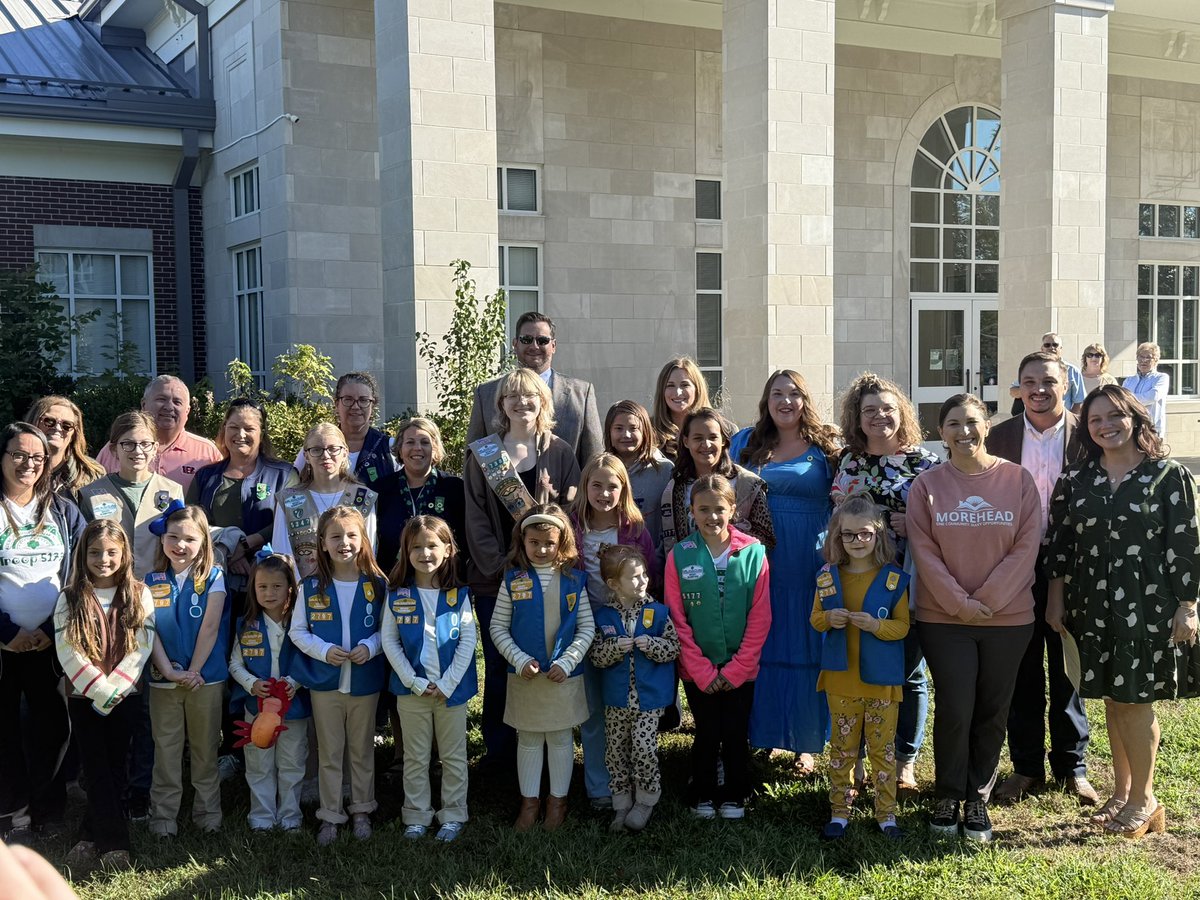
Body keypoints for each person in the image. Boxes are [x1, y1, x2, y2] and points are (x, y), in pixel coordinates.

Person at [1045, 384, 1200, 838]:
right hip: (1090, 603)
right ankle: (1122, 792)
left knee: (1135, 700)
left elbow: (1185, 543)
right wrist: (1055, 599)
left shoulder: (1167, 475)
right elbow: (1060, 544)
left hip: (1148, 603)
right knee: (1114, 700)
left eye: (1115, 416)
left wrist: (1188, 605)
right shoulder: (1076, 479)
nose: (1106, 426)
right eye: (1095, 419)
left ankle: (1145, 801)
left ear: (1135, 418)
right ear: (1086, 428)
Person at [906, 394, 1041, 843]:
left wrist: (989, 598)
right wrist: (961, 604)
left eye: (972, 422)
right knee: (956, 707)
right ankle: (948, 794)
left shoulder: (1017, 480)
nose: (964, 432)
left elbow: (1027, 545)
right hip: (944, 620)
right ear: (941, 432)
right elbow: (924, 551)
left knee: (992, 709)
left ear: (987, 425)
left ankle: (977, 796)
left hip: (1009, 619)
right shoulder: (926, 486)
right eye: (953, 424)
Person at [986, 352, 1096, 806]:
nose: (1039, 390)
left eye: (1048, 381)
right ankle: (1026, 767)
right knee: (1023, 669)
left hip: (1075, 567)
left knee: (1069, 668)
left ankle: (1073, 767)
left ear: (1065, 385)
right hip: (1016, 566)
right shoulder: (999, 437)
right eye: (1029, 382)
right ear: (1019, 388)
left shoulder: (1088, 434)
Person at [463, 368, 580, 774]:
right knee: (500, 664)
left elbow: (572, 515)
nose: (521, 403)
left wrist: (551, 506)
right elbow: (475, 518)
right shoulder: (484, 454)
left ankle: (547, 742)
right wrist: (502, 568)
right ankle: (500, 752)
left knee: (544, 658)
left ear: (543, 402)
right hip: (495, 579)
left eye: (529, 396)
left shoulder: (560, 452)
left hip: (548, 577)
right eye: (512, 396)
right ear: (501, 405)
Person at [832, 373, 937, 788]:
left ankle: (904, 759)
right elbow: (837, 519)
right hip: (857, 580)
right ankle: (857, 757)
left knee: (908, 672)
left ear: (902, 413)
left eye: (888, 408)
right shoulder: (849, 462)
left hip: (908, 580)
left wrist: (914, 524)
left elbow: (945, 522)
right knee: (859, 669)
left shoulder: (926, 464)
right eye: (870, 410)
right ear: (857, 417)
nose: (879, 417)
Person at [730, 371, 838, 770]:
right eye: (777, 393)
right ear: (766, 400)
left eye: (794, 394)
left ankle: (805, 742)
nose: (785, 401)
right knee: (766, 640)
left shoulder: (826, 446)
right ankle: (771, 733)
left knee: (806, 641)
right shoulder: (746, 442)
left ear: (805, 400)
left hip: (809, 559)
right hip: (759, 560)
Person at [665, 474, 772, 821]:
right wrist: (701, 670)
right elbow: (677, 619)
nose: (712, 516)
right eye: (703, 509)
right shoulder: (680, 556)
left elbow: (760, 617)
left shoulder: (754, 553)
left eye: (719, 509)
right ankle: (703, 791)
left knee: (736, 732)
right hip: (698, 669)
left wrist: (738, 668)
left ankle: (737, 792)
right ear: (691, 511)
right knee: (707, 732)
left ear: (733, 509)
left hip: (742, 668)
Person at [0, 423, 85, 845]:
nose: (28, 464)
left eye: (37, 457)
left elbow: (82, 571)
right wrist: (7, 631)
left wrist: (53, 629)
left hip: (51, 641)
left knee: (53, 729)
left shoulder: (63, 510)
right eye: (18, 454)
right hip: (3, 645)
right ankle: (12, 813)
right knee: (4, 731)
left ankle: (47, 811)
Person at [54, 521, 155, 873]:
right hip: (84, 698)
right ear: (83, 554)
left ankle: (87, 837)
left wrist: (116, 689)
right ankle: (115, 844)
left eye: (112, 552)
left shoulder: (140, 593)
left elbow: (142, 647)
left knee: (115, 766)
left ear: (124, 554)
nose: (104, 559)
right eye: (95, 552)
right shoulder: (69, 597)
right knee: (95, 765)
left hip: (126, 694)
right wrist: (99, 690)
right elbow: (67, 650)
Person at [489, 505, 595, 832]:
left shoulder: (574, 581)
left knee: (561, 738)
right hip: (526, 676)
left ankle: (557, 802)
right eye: (534, 542)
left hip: (562, 675)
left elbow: (586, 628)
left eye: (549, 543)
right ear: (523, 541)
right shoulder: (513, 580)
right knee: (529, 738)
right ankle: (529, 803)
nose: (542, 549)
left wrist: (568, 661)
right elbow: (498, 627)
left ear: (562, 542)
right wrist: (519, 659)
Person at [286, 507, 387, 845]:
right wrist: (323, 650)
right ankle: (330, 815)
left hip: (364, 681)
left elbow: (388, 631)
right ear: (323, 543)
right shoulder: (311, 586)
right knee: (329, 751)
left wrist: (370, 647)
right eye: (336, 536)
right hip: (325, 682)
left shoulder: (378, 584)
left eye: (351, 535)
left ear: (363, 539)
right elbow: (298, 631)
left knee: (361, 749)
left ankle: (362, 810)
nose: (344, 542)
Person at [811, 497, 909, 841]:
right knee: (842, 749)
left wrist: (876, 626)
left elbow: (903, 627)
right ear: (837, 536)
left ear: (878, 534)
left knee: (882, 751)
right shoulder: (827, 577)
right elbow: (815, 619)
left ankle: (886, 814)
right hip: (841, 680)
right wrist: (828, 618)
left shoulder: (893, 579)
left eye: (864, 533)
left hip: (881, 683)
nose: (857, 541)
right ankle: (839, 812)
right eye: (848, 534)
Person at [569, 452, 658, 811]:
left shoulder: (635, 530)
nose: (604, 493)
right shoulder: (572, 526)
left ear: (624, 489)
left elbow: (650, 575)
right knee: (593, 711)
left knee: (625, 708)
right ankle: (600, 788)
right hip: (584, 628)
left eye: (612, 486)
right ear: (585, 487)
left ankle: (632, 780)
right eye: (597, 485)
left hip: (625, 628)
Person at [380, 516, 477, 843]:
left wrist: (447, 683)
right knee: (415, 757)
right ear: (405, 552)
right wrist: (413, 681)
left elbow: (468, 641)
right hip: (412, 692)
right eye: (416, 547)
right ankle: (417, 815)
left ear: (448, 549)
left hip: (451, 692)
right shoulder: (397, 594)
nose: (424, 553)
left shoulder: (458, 594)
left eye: (432, 545)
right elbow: (389, 641)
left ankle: (453, 814)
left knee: (453, 756)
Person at [144, 502, 229, 837]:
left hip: (204, 679)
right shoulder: (149, 581)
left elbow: (210, 627)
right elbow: (148, 630)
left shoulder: (214, 577)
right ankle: (163, 819)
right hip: (163, 679)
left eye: (190, 539)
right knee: (165, 749)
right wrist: (167, 670)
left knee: (205, 749)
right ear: (162, 539)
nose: (180, 545)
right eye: (173, 536)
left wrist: (193, 671)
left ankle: (208, 816)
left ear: (204, 542)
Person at [588, 545, 679, 833]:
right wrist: (613, 649)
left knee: (643, 748)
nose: (643, 581)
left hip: (648, 700)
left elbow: (674, 648)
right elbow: (596, 656)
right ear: (614, 584)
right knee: (616, 752)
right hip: (616, 700)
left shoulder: (658, 612)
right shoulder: (603, 617)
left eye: (644, 575)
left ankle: (645, 800)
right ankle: (621, 804)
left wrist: (652, 645)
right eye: (634, 577)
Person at [227, 550, 309, 832]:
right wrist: (251, 683)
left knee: (292, 762)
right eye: (262, 586)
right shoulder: (246, 624)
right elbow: (235, 663)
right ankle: (261, 817)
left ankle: (290, 817)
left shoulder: (301, 624)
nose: (269, 593)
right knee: (259, 761)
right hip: (256, 708)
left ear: (290, 588)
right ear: (253, 589)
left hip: (293, 708)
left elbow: (309, 658)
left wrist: (294, 683)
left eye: (277, 586)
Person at [466, 311, 603, 469]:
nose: (534, 346)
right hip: (504, 484)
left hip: (566, 485)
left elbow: (595, 459)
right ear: (515, 344)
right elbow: (472, 460)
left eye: (542, 340)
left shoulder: (582, 394)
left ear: (553, 346)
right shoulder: (486, 394)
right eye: (527, 339)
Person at [190, 399, 299, 584]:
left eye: (249, 429)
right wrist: (227, 549)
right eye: (233, 427)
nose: (240, 434)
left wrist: (245, 544)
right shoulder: (205, 476)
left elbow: (293, 519)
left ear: (261, 433)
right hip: (215, 577)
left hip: (271, 579)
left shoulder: (284, 475)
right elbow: (190, 522)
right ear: (224, 429)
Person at [79, 411, 185, 577]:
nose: (137, 451)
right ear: (114, 449)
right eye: (128, 444)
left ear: (155, 448)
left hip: (158, 585)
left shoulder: (173, 491)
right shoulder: (90, 495)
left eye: (145, 444)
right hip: (108, 584)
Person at [659, 408, 774, 557]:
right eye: (698, 438)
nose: (706, 444)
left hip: (736, 568)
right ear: (686, 441)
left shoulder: (748, 484)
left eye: (713, 437)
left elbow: (766, 538)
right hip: (690, 568)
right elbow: (670, 542)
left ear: (723, 440)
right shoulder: (675, 487)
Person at [271, 423, 377, 581]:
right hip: (302, 589)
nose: (325, 455)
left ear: (345, 452)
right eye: (316, 450)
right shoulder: (288, 499)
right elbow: (281, 554)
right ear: (306, 456)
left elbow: (368, 552)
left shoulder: (362, 497)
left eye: (333, 449)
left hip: (351, 587)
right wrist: (300, 591)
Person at [375, 417, 467, 575]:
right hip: (393, 580)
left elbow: (466, 539)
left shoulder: (455, 488)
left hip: (444, 580)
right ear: (400, 449)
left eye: (425, 442)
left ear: (435, 449)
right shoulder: (381, 490)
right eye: (410, 442)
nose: (417, 448)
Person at [95, 376, 221, 490]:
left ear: (187, 411)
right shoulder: (116, 449)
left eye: (177, 402)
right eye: (161, 399)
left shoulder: (207, 453)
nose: (169, 407)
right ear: (143, 404)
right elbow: (96, 494)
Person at [291, 373, 396, 488]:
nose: (355, 406)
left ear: (373, 405)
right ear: (337, 404)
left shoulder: (390, 448)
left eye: (363, 400)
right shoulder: (314, 447)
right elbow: (294, 488)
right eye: (348, 399)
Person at [604, 400, 672, 551]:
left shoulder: (664, 470)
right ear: (609, 432)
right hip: (611, 559)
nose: (626, 435)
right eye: (619, 428)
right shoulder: (600, 470)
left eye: (633, 428)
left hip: (654, 557)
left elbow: (670, 522)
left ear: (645, 431)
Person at [25, 396, 104, 501]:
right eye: (49, 421)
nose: (57, 428)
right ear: (33, 423)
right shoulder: (14, 467)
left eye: (67, 425)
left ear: (74, 434)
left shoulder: (92, 473)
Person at [651, 357, 712, 460]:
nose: (678, 392)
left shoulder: (723, 429)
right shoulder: (647, 430)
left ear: (697, 389)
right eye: (670, 385)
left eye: (684, 385)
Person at [1122, 342, 1169, 438]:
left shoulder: (1161, 378)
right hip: (1131, 428)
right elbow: (1121, 400)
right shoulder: (1129, 381)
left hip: (1152, 429)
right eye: (1141, 357)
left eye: (1148, 357)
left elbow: (1152, 396)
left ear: (1156, 360)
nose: (1144, 360)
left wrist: (1128, 399)